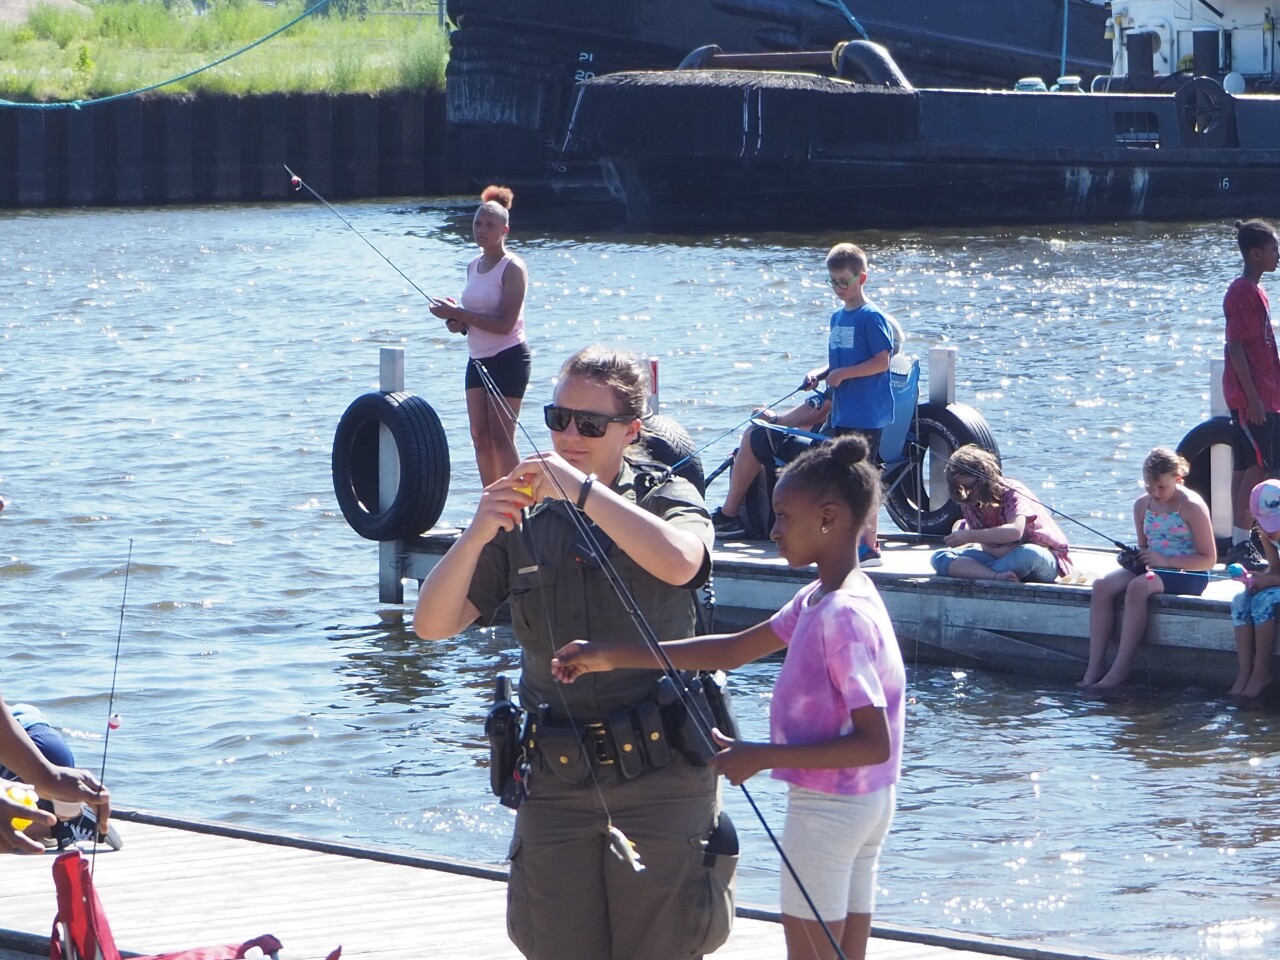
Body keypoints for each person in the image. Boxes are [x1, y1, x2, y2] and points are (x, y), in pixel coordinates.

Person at [412, 346, 733, 960]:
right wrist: (481, 529)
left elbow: (681, 561)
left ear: (631, 431)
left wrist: (584, 493)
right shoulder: (527, 512)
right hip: (555, 779)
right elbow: (433, 624)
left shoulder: (665, 496)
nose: (568, 435)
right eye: (559, 418)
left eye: (590, 425)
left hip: (661, 775)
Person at [553, 433, 904, 960]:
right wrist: (608, 654)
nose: (772, 529)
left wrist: (759, 756)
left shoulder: (840, 615)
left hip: (829, 811)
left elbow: (873, 742)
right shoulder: (828, 596)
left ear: (828, 518)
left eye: (784, 516)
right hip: (867, 806)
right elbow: (732, 649)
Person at [710, 306, 904, 555]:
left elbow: (819, 409)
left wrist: (774, 419)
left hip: (829, 457)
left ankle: (729, 516)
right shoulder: (894, 380)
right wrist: (822, 373)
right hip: (869, 454)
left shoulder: (854, 382)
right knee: (797, 428)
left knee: (756, 434)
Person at [1079, 448, 1216, 689]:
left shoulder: (1191, 506)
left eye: (1161, 487)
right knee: (1102, 585)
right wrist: (1135, 558)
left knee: (1138, 586)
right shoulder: (1142, 506)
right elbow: (1144, 549)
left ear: (1178, 478)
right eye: (1148, 487)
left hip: (1187, 573)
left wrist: (1165, 561)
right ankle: (1095, 667)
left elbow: (1208, 559)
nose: (1155, 493)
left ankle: (1120, 669)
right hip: (1154, 568)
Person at [429, 185, 531, 487]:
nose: (481, 230)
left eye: (489, 225)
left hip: (508, 357)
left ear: (504, 230)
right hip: (477, 359)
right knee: (480, 437)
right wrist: (455, 321)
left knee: (502, 437)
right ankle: (491, 501)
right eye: (477, 224)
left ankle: (521, 503)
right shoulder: (473, 265)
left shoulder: (513, 268)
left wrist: (460, 314)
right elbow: (471, 321)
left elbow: (504, 324)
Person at [1223, 219, 1280, 572]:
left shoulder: (1257, 291)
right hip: (1253, 400)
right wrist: (1254, 400)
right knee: (1259, 466)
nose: (1278, 255)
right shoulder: (1241, 291)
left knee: (1249, 464)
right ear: (1256, 253)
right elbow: (1237, 347)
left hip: (1269, 395)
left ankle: (1249, 539)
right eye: (1274, 249)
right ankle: (1242, 542)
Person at [930, 444, 1074, 583]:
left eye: (969, 487)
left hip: (1040, 556)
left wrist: (970, 536)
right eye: (959, 490)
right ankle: (996, 576)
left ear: (983, 478)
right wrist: (996, 553)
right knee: (940, 558)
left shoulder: (1012, 492)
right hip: (999, 558)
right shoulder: (967, 500)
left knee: (1029, 554)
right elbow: (986, 545)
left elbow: (1015, 531)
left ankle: (974, 572)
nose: (965, 495)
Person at [0, 694, 112, 855]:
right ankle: (61, 818)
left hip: (18, 740)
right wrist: (48, 775)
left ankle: (59, 825)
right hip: (28, 730)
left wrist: (47, 776)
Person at [1229, 479, 1280, 696]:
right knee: (1241, 601)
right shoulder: (1268, 534)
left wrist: (1268, 582)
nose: (1269, 533)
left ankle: (1261, 672)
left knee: (1263, 601)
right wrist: (1256, 578)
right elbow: (1275, 569)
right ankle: (1245, 670)